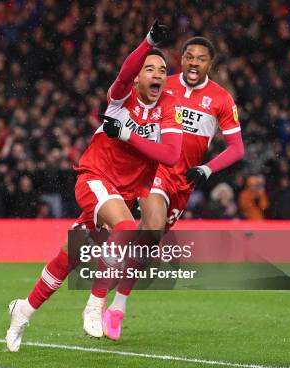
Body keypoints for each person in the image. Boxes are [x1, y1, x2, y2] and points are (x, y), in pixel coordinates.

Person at [6, 21, 183, 351]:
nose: (157, 74)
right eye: (149, 68)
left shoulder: (168, 107)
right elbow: (124, 71)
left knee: (69, 256)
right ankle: (95, 303)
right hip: (94, 179)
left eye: (162, 69)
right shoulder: (121, 98)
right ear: (138, 76)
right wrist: (147, 42)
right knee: (128, 227)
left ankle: (23, 309)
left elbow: (171, 155)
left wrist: (128, 134)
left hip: (123, 193)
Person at [85, 36, 245, 339]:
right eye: (189, 56)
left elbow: (237, 148)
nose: (194, 62)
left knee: (148, 242)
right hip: (155, 170)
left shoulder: (221, 99)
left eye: (200, 58)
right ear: (181, 59)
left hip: (186, 180)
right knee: (153, 225)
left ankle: (117, 306)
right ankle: (99, 296)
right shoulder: (160, 82)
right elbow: (129, 103)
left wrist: (207, 168)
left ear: (211, 64)